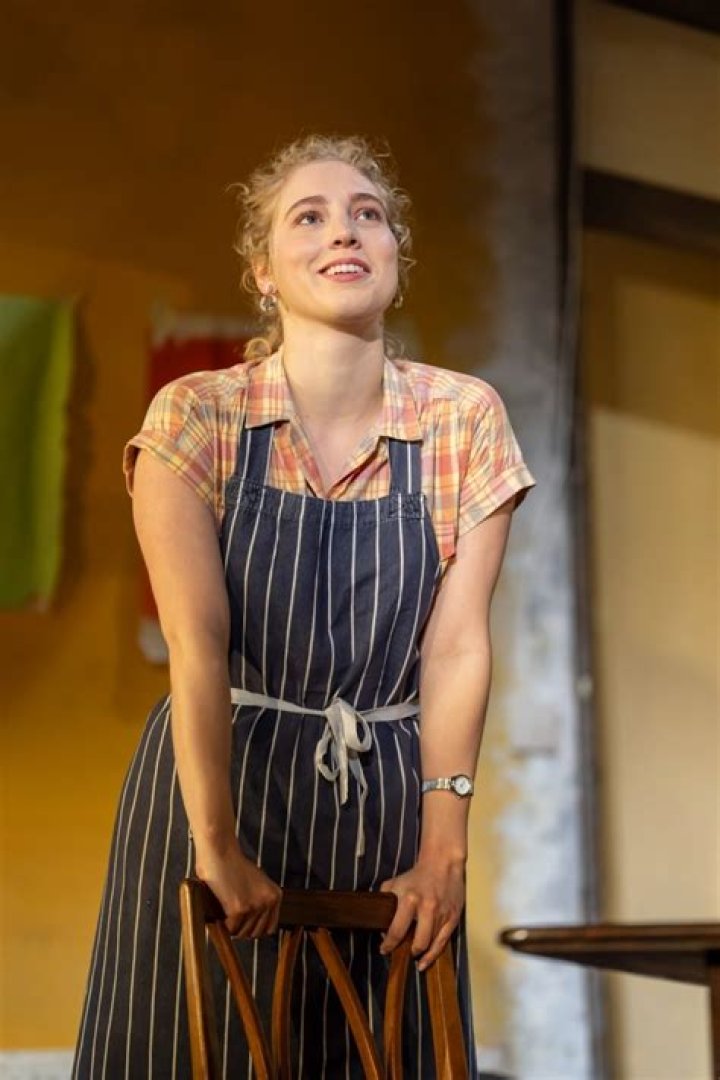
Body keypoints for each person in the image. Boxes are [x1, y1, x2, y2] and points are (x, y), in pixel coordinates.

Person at [73, 134, 534, 1078]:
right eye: (309, 217)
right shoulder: (196, 415)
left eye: (368, 214)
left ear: (396, 255)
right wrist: (215, 843)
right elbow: (197, 643)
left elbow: (456, 649)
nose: (344, 232)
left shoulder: (463, 418)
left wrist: (444, 851)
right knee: (190, 1051)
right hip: (221, 783)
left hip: (388, 809)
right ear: (263, 271)